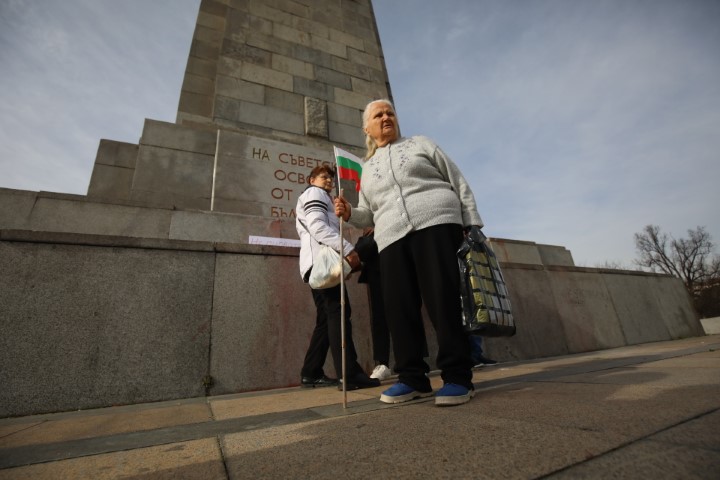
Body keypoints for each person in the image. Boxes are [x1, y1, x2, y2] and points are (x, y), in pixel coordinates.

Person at [335, 99, 484, 406]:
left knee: (442, 300)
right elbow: (368, 213)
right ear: (367, 127)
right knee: (399, 309)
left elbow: (457, 180)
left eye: (390, 112)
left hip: (437, 224)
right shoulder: (368, 167)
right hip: (390, 238)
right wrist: (350, 212)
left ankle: (457, 377)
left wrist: (471, 221)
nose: (386, 117)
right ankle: (413, 379)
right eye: (378, 115)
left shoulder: (421, 144)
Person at [296, 165, 381, 391]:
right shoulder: (315, 194)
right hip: (321, 265)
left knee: (326, 318)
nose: (329, 182)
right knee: (339, 313)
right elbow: (318, 227)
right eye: (324, 177)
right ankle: (349, 373)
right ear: (312, 179)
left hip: (314, 265)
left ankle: (311, 371)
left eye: (331, 179)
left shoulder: (321, 196)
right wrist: (348, 250)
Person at [354, 227, 392, 381]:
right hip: (376, 268)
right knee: (379, 318)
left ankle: (417, 359)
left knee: (407, 313)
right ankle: (382, 363)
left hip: (397, 261)